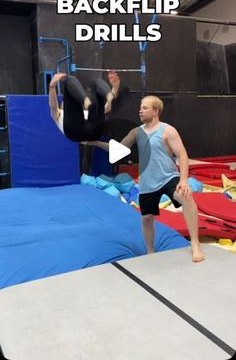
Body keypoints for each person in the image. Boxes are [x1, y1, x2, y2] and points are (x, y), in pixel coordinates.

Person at [85, 95, 205, 263]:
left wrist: (184, 180)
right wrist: (95, 143)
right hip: (148, 183)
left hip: (168, 177)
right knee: (147, 218)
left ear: (156, 111)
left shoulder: (167, 130)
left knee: (186, 197)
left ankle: (195, 243)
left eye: (145, 107)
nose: (140, 110)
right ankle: (150, 252)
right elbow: (117, 149)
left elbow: (182, 155)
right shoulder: (136, 132)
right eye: (140, 107)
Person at [49, 71, 121, 142]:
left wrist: (115, 87)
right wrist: (52, 87)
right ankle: (85, 101)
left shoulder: (88, 111)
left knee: (96, 83)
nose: (64, 103)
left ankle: (109, 96)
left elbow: (107, 108)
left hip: (94, 131)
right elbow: (53, 107)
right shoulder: (59, 114)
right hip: (74, 131)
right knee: (70, 79)